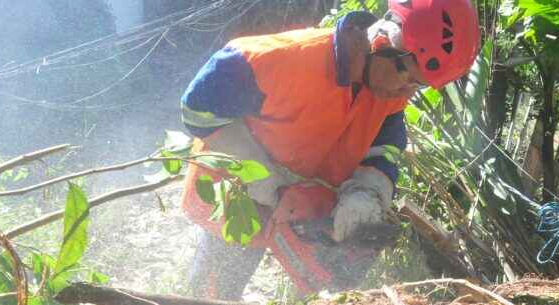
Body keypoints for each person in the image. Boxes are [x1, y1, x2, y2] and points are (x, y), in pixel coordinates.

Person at [178, 0, 479, 300]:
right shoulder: (285, 59)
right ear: (385, 40)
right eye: (409, 79)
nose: (407, 93)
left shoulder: (387, 93)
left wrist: (366, 192)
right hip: (234, 196)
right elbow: (197, 107)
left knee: (325, 290)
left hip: (302, 202)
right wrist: (270, 184)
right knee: (212, 293)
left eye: (419, 86)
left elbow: (384, 148)